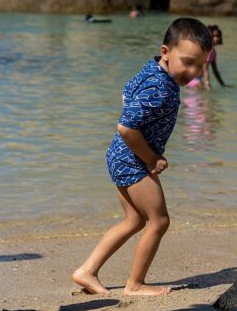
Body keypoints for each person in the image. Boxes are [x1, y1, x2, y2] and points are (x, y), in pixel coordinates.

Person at [72, 18, 213, 296]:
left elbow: (126, 90)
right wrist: (151, 158)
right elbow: (126, 127)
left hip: (120, 155)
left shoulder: (153, 71)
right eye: (187, 61)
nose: (193, 71)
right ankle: (135, 284)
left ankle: (86, 271)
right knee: (159, 221)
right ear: (165, 51)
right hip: (132, 159)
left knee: (134, 221)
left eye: (200, 64)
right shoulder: (158, 87)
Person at [186, 24, 229, 90]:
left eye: (218, 36)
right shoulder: (207, 51)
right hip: (193, 80)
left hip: (194, 80)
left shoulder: (213, 52)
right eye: (214, 36)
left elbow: (215, 71)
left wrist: (223, 84)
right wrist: (208, 85)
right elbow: (205, 69)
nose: (217, 38)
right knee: (207, 96)